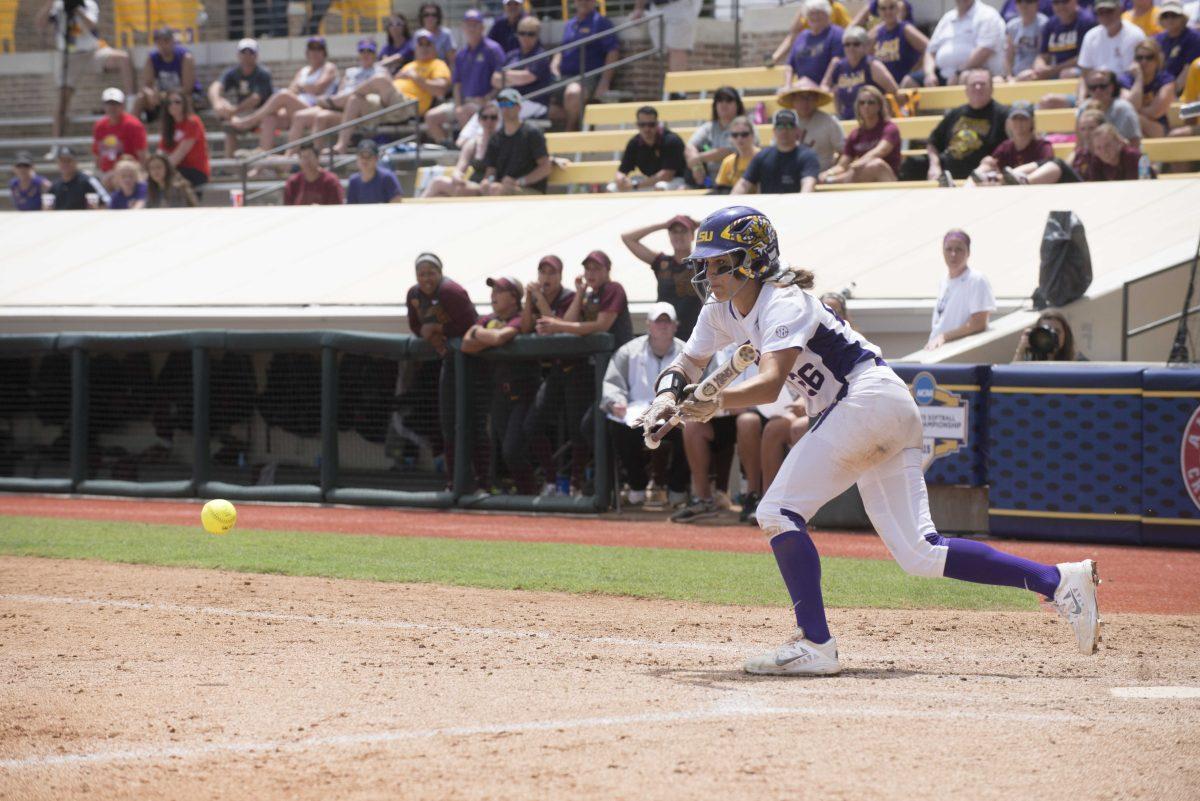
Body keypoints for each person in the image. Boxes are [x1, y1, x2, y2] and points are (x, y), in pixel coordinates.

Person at [638, 205, 1102, 675]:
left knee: (777, 511)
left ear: (754, 260)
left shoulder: (784, 300)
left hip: (865, 400)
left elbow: (771, 382)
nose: (710, 273)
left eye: (722, 262)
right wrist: (664, 397)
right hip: (878, 407)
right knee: (921, 553)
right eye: (708, 263)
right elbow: (689, 362)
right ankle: (1059, 580)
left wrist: (714, 404)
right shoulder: (721, 310)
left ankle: (815, 644)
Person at [602, 303, 689, 506]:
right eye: (659, 321)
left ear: (676, 326)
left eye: (668, 321)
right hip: (637, 415)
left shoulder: (689, 352)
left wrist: (685, 406)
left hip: (675, 415)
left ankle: (677, 488)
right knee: (618, 427)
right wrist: (616, 402)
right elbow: (612, 383)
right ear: (649, 324)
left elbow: (698, 384)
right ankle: (637, 485)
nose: (663, 326)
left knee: (692, 431)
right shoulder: (628, 351)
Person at [461, 276, 540, 495]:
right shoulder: (487, 319)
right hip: (499, 395)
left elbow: (499, 338)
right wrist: (482, 334)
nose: (493, 295)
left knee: (513, 449)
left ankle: (530, 491)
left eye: (500, 291)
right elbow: (466, 344)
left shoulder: (518, 319)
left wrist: (479, 335)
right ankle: (522, 491)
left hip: (525, 394)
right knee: (505, 449)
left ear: (514, 297)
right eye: (493, 290)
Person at [406, 253, 477, 486]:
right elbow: (416, 326)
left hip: (472, 360)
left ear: (440, 272)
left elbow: (470, 323)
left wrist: (438, 328)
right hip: (447, 359)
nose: (426, 278)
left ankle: (480, 480)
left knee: (471, 420)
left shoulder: (450, 291)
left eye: (431, 273)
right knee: (448, 421)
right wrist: (430, 335)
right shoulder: (414, 295)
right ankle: (453, 479)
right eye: (421, 273)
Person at [519, 255, 586, 496]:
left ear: (560, 276)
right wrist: (529, 300)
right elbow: (525, 328)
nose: (546, 278)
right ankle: (550, 478)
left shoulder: (568, 296)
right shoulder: (535, 297)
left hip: (577, 369)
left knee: (577, 429)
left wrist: (538, 298)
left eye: (552, 273)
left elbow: (559, 326)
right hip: (555, 370)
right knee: (532, 425)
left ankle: (576, 482)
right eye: (543, 273)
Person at [36, 0, 135, 153]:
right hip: (69, 55)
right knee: (62, 100)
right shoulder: (57, 5)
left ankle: (131, 101)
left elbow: (92, 25)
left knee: (123, 59)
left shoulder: (88, 4)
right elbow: (40, 24)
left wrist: (77, 10)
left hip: (93, 51)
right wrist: (50, 4)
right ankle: (56, 144)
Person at [332, 30, 451, 154]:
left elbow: (440, 89)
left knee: (380, 79)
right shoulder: (410, 65)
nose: (424, 47)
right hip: (388, 106)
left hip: (408, 106)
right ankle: (341, 146)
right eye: (421, 44)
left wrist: (415, 77)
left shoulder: (438, 64)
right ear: (415, 47)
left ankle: (340, 100)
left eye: (428, 44)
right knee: (355, 99)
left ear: (434, 47)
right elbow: (392, 84)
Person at [231, 37, 339, 153]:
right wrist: (303, 87)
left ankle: (251, 121)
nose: (315, 52)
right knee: (270, 118)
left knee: (283, 95)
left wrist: (301, 86)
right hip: (297, 109)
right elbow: (292, 89)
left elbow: (317, 88)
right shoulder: (304, 70)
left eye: (319, 49)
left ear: (324, 52)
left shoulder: (329, 67)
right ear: (307, 52)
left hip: (316, 109)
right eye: (312, 49)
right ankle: (262, 160)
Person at [288, 39, 387, 154]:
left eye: (369, 51)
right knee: (307, 116)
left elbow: (381, 98)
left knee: (353, 99)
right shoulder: (350, 72)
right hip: (344, 109)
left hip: (364, 111)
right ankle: (303, 157)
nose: (365, 54)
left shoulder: (380, 72)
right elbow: (340, 93)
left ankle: (340, 146)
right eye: (362, 51)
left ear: (375, 54)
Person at [425, 10, 506, 145]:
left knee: (465, 113)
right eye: (468, 25)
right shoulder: (461, 54)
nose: (471, 28)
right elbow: (457, 84)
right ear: (463, 27)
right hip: (463, 102)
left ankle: (469, 150)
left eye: (475, 24)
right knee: (431, 117)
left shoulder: (493, 49)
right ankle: (449, 147)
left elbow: (502, 80)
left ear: (482, 27)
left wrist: (488, 98)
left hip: (486, 102)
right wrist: (457, 106)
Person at [919, 68, 1009, 183]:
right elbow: (933, 142)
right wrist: (934, 165)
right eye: (973, 84)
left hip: (980, 176)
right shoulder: (955, 113)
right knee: (913, 163)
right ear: (966, 89)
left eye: (982, 84)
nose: (978, 87)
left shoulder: (1003, 115)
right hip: (946, 173)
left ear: (991, 88)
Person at [622, 215, 703, 340]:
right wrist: (663, 225)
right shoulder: (662, 263)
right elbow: (627, 238)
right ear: (669, 236)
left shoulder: (702, 262)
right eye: (674, 231)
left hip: (695, 333)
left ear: (693, 235)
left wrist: (702, 224)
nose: (678, 235)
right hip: (664, 333)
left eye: (684, 231)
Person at [552, 0, 620, 131]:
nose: (584, 2)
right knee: (541, 102)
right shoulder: (570, 24)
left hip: (587, 77)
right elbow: (562, 48)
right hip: (563, 77)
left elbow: (613, 52)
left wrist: (605, 81)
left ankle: (570, 132)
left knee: (573, 93)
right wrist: (555, 63)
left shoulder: (601, 22)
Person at [926, 229, 996, 349]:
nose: (953, 254)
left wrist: (945, 336)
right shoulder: (944, 280)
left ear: (968, 253)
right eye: (949, 249)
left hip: (957, 352)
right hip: (936, 349)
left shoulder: (976, 279)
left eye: (959, 249)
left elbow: (979, 323)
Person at [819, 85, 902, 183]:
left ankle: (834, 181)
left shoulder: (890, 128)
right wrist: (828, 173)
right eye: (862, 103)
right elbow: (842, 165)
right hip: (862, 179)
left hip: (888, 180)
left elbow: (881, 150)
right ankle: (832, 180)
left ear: (879, 106)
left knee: (876, 165)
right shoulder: (855, 134)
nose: (866, 106)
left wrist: (858, 164)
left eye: (871, 103)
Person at [1002, 106, 1105, 182]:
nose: (1086, 133)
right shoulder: (1079, 153)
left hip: (1099, 189)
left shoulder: (1110, 148)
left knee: (1057, 163)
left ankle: (1025, 180)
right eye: (1083, 129)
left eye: (1091, 128)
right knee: (1055, 163)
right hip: (1079, 190)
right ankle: (1015, 176)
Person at [479, 88, 552, 195]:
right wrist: (488, 181)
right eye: (502, 105)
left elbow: (545, 167)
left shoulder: (532, 133)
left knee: (498, 190)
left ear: (519, 107)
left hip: (530, 190)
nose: (505, 108)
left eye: (509, 104)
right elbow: (491, 172)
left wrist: (520, 181)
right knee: (467, 190)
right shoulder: (496, 138)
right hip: (501, 187)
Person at [209, 39, 274, 159]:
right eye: (244, 52)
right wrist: (217, 103)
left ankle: (262, 164)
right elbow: (215, 86)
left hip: (261, 115)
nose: (247, 56)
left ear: (256, 55)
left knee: (265, 119)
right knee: (225, 112)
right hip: (242, 114)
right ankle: (230, 163)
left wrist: (234, 111)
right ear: (238, 54)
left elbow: (256, 99)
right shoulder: (233, 72)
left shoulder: (263, 73)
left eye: (251, 52)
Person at [821, 25, 900, 120]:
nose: (851, 48)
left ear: (865, 46)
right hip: (846, 118)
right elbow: (823, 87)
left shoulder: (872, 65)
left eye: (856, 44)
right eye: (847, 44)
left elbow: (893, 89)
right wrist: (832, 93)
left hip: (871, 120)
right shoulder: (838, 65)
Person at [733, 109, 821, 194]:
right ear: (774, 130)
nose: (784, 130)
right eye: (780, 125)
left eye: (790, 125)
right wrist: (731, 202)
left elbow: (808, 185)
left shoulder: (808, 156)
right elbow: (743, 184)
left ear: (797, 130)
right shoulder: (762, 156)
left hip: (796, 207)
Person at [421, 101, 499, 197]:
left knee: (438, 183)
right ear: (479, 120)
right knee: (440, 196)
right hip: (474, 184)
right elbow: (460, 167)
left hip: (490, 186)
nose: (489, 121)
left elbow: (493, 173)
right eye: (485, 117)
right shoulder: (473, 143)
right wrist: (457, 177)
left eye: (493, 118)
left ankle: (414, 209)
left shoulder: (500, 142)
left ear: (498, 120)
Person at [923, 0, 1007, 85]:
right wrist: (929, 74)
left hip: (976, 71)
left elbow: (985, 50)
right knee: (910, 81)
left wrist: (958, 73)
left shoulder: (988, 15)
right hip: (942, 73)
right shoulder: (947, 18)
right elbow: (930, 51)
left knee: (965, 77)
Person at [609, 106, 688, 192]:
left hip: (676, 181)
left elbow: (667, 175)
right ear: (637, 125)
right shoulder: (634, 143)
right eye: (642, 125)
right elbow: (622, 171)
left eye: (651, 125)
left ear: (657, 124)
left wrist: (635, 186)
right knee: (612, 188)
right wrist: (620, 179)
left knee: (660, 186)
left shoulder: (671, 140)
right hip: (649, 181)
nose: (646, 129)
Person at [492, 16, 554, 121]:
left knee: (497, 117)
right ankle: (464, 138)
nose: (526, 37)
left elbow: (525, 78)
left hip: (533, 102)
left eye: (531, 34)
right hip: (508, 100)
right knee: (485, 111)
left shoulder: (541, 55)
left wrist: (505, 76)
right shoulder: (512, 55)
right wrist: (515, 78)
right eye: (522, 33)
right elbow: (494, 80)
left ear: (537, 35)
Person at [774, 80, 845, 171]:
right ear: (793, 100)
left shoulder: (829, 122)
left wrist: (830, 172)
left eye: (809, 98)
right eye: (800, 98)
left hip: (820, 177)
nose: (805, 103)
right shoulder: (785, 120)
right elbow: (776, 151)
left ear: (816, 100)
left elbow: (844, 152)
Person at [975, 100, 1054, 182]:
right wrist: (987, 162)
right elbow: (992, 164)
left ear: (1032, 122)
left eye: (1023, 118)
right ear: (1009, 122)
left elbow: (1049, 167)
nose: (1019, 122)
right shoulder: (1005, 147)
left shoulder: (1042, 147)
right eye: (1015, 118)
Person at [134, 28, 199, 124]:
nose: (163, 46)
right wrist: (150, 94)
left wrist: (165, 95)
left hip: (185, 95)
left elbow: (187, 88)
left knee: (184, 100)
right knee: (141, 98)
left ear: (173, 41)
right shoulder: (152, 58)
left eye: (166, 41)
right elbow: (146, 86)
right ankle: (130, 129)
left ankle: (191, 132)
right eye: (159, 42)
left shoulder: (185, 57)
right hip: (162, 98)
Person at [684, 87, 744, 185]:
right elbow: (689, 147)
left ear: (738, 105)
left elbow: (727, 151)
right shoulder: (708, 127)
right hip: (711, 181)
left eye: (729, 100)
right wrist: (696, 167)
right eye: (719, 100)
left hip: (736, 181)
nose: (724, 104)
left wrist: (697, 158)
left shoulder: (744, 127)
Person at [92, 87, 148, 190]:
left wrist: (141, 174)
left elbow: (142, 155)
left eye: (115, 104)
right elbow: (97, 154)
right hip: (106, 173)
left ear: (123, 105)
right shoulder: (100, 126)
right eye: (108, 104)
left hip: (128, 173)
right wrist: (97, 173)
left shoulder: (133, 125)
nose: (112, 107)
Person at [780, 0, 846, 86]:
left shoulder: (836, 34)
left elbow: (836, 61)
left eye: (819, 13)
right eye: (811, 13)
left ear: (827, 14)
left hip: (827, 88)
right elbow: (790, 65)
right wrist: (788, 86)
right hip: (803, 88)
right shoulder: (802, 37)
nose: (815, 17)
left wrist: (824, 85)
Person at [1121, 39, 1177, 138]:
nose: (1144, 61)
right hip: (1131, 128)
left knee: (1134, 118)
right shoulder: (1125, 80)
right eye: (1139, 58)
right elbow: (1131, 106)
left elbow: (1156, 112)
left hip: (1158, 127)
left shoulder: (1166, 80)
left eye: (1149, 57)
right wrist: (1139, 78)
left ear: (1157, 60)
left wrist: (1136, 111)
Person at [1077, 0, 1146, 80]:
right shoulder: (1090, 36)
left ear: (1120, 10)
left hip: (1126, 86)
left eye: (1109, 11)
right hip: (1097, 87)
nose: (1105, 16)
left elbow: (1135, 73)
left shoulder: (1135, 35)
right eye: (1101, 12)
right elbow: (1085, 73)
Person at [631, 0, 704, 74]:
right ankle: (670, 83)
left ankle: (677, 84)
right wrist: (639, 8)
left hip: (680, 5)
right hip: (655, 8)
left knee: (677, 49)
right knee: (663, 52)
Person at [1031, 0, 1097, 80]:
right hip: (1055, 70)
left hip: (1081, 70)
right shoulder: (1050, 24)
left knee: (1067, 74)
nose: (1061, 6)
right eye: (1056, 2)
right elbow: (1043, 55)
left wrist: (1053, 70)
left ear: (1075, 1)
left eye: (1065, 1)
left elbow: (1081, 58)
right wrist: (1039, 67)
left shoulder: (1086, 21)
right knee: (1026, 76)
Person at [869, 0, 928, 87]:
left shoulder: (905, 29)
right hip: (885, 87)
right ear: (878, 11)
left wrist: (915, 71)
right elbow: (864, 55)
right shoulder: (876, 32)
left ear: (897, 9)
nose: (888, 12)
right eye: (883, 8)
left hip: (904, 86)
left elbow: (929, 48)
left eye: (891, 7)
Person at [160, 90, 209, 194]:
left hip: (195, 171)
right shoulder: (168, 126)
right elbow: (161, 153)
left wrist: (160, 170)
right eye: (169, 103)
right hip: (176, 169)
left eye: (177, 102)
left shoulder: (193, 122)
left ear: (184, 104)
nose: (173, 105)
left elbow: (181, 152)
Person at [1078, 69, 1143, 142]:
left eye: (1102, 86)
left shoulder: (1124, 109)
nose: (1098, 91)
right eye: (1093, 87)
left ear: (1112, 87)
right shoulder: (1084, 108)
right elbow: (1080, 143)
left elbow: (1135, 143)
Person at [1157, 1, 1200, 93]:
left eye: (1174, 15)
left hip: (1185, 91)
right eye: (1165, 16)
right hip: (1161, 90)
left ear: (1182, 18)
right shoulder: (1158, 39)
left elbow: (1187, 70)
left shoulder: (1194, 38)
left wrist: (1171, 94)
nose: (1170, 19)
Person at [346, 140, 403, 204]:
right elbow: (351, 207)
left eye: (369, 156)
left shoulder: (387, 177)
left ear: (376, 159)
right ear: (357, 158)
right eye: (362, 156)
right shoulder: (353, 181)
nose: (365, 160)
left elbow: (396, 203)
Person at [714, 116, 760, 193]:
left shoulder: (762, 157)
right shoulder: (728, 162)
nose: (739, 138)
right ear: (730, 138)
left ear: (752, 135)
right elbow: (720, 189)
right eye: (735, 135)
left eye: (744, 134)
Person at [1014, 310, 1084, 360]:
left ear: (1066, 335)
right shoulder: (1030, 362)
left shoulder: (1078, 363)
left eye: (1057, 331)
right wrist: (1021, 351)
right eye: (1046, 332)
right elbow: (1014, 378)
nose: (1052, 336)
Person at [1006, 0, 1049, 80]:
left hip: (1037, 75)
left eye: (1028, 1)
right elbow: (1009, 56)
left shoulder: (1044, 24)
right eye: (1019, 1)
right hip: (1016, 76)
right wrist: (1009, 76)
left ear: (1037, 3)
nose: (1024, 5)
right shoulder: (1012, 26)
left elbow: (1044, 55)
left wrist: (1033, 72)